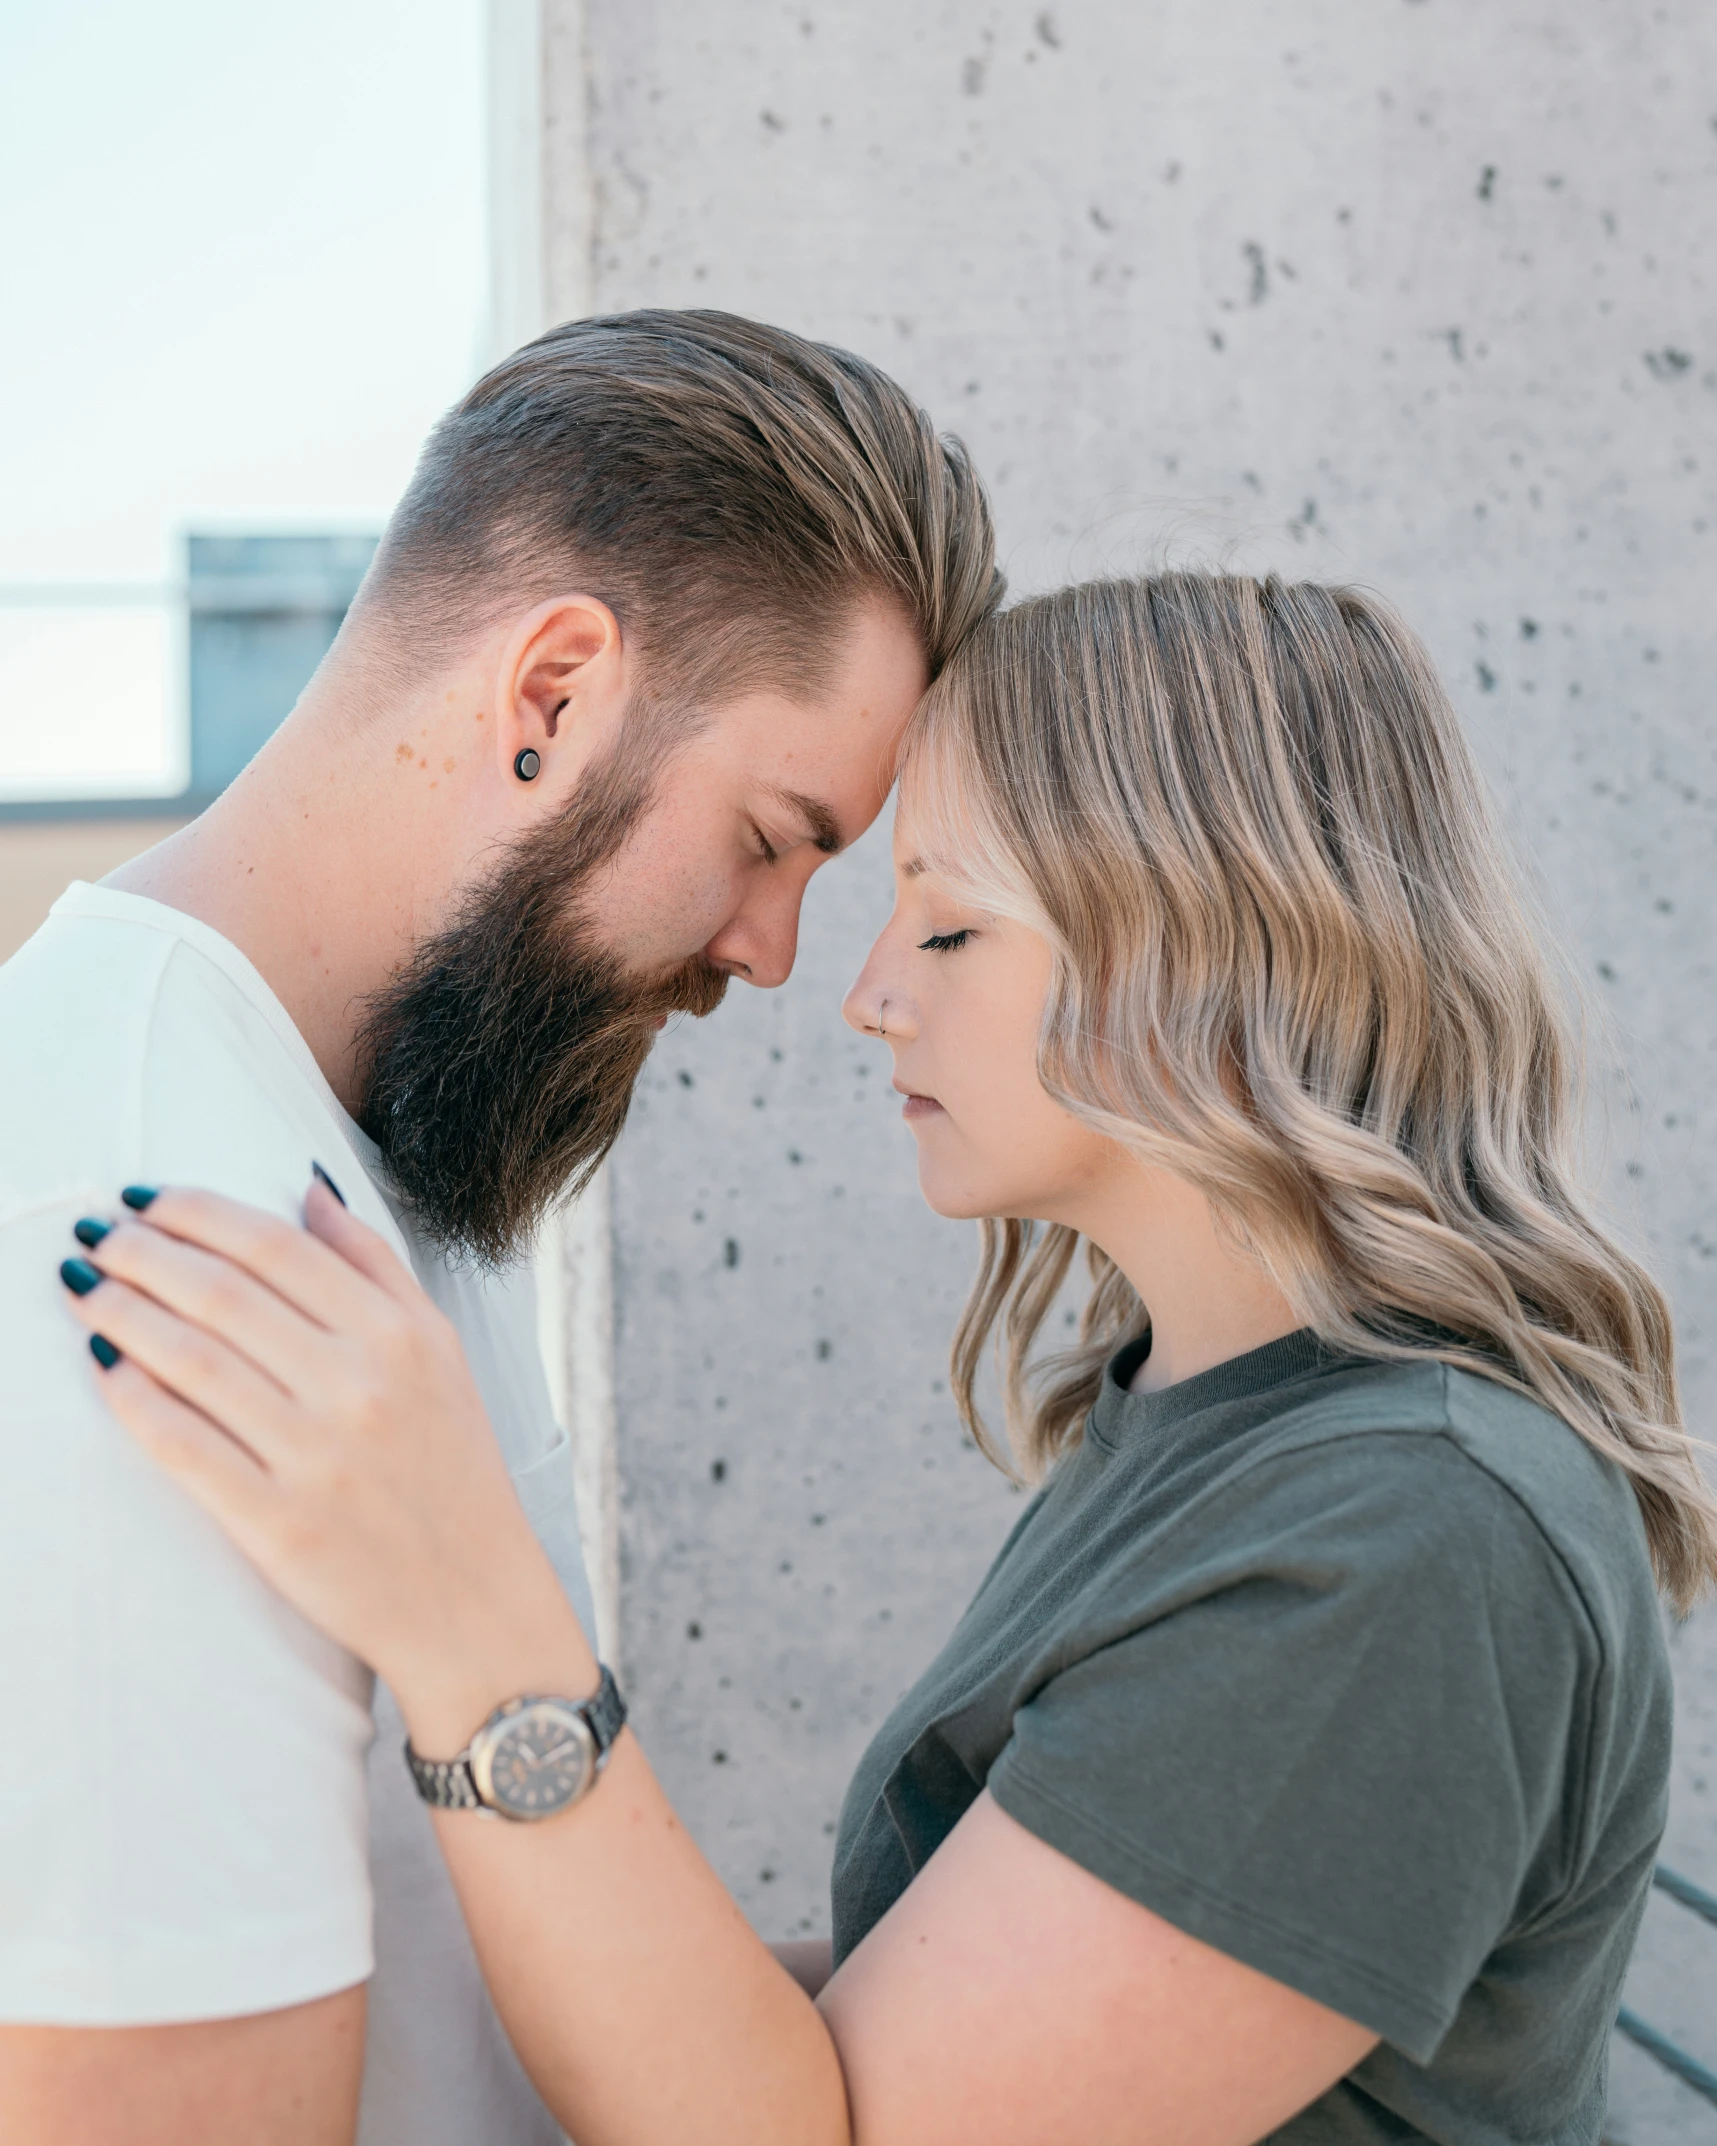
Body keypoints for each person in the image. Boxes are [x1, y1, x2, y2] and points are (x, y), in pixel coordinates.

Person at [53, 573, 1717, 2143]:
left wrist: (464, 1606)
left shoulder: (1402, 1540)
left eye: (948, 928)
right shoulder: (1210, 1424)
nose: (856, 991)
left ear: (1213, 959)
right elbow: (899, 2046)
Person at [0, 309, 998, 2145]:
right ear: (552, 692)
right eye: (773, 838)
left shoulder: (415, 1146)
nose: (773, 955)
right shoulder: (151, 1228)